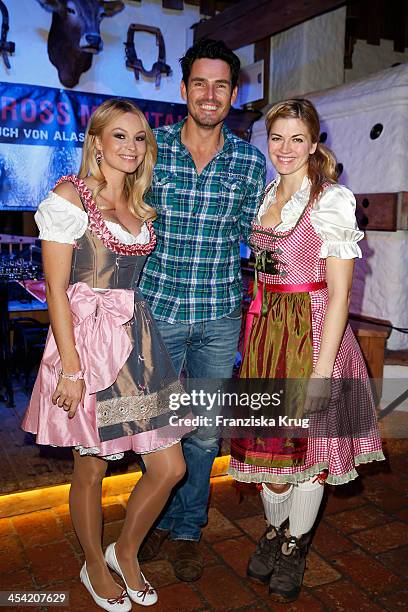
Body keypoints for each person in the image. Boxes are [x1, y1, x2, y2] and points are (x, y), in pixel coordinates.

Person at [22, 99, 193, 612]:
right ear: (96, 141)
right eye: (119, 136)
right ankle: (94, 562)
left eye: (140, 138)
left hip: (136, 348)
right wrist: (71, 368)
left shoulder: (140, 204)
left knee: (169, 466)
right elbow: (56, 290)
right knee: (90, 467)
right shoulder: (70, 196)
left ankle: (126, 550)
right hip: (88, 348)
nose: (131, 147)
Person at [228, 98, 385, 603]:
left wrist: (321, 373)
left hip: (313, 334)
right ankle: (274, 532)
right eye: (277, 137)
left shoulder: (330, 200)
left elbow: (339, 293)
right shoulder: (265, 194)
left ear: (314, 144)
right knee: (270, 452)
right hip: (267, 333)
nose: (286, 148)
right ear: (266, 141)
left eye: (298, 138)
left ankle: (294, 544)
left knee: (309, 454)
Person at [138, 39, 266, 581]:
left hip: (218, 315)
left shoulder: (249, 162)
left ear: (234, 94)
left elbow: (258, 237)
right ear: (183, 87)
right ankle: (152, 519)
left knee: (205, 432)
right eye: (199, 83)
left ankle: (189, 526)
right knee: (153, 427)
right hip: (157, 312)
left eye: (221, 85)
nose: (209, 94)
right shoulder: (150, 148)